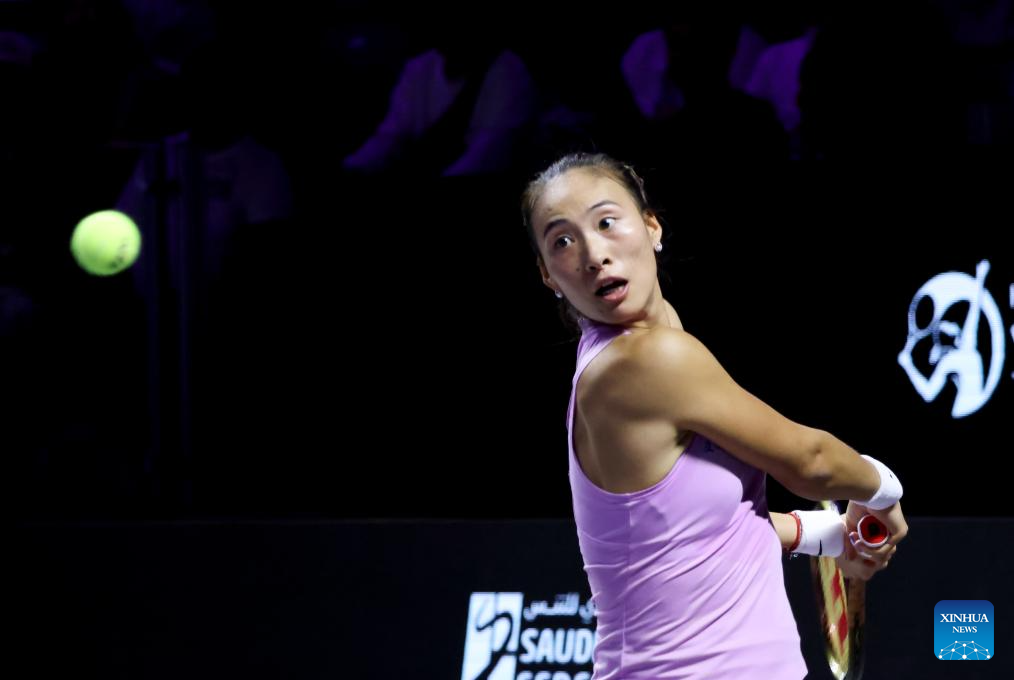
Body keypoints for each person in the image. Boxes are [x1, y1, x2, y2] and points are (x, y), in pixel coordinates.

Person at [520, 152, 908, 678]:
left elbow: (693, 533)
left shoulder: (643, 348)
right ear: (548, 275)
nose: (593, 254)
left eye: (606, 222)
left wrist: (824, 532)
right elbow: (811, 462)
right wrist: (882, 490)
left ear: (652, 226)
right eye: (562, 241)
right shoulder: (645, 361)